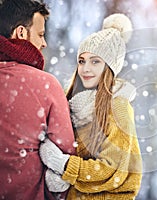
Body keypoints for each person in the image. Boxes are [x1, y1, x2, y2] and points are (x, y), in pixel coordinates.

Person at [39, 13, 143, 199]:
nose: (86, 68)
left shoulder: (118, 106)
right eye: (82, 61)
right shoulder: (71, 104)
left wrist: (64, 166)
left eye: (95, 61)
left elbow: (111, 170)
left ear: (109, 67)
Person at [0, 0, 76, 199]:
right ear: (21, 33)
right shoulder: (46, 85)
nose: (44, 43)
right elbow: (64, 158)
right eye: (41, 35)